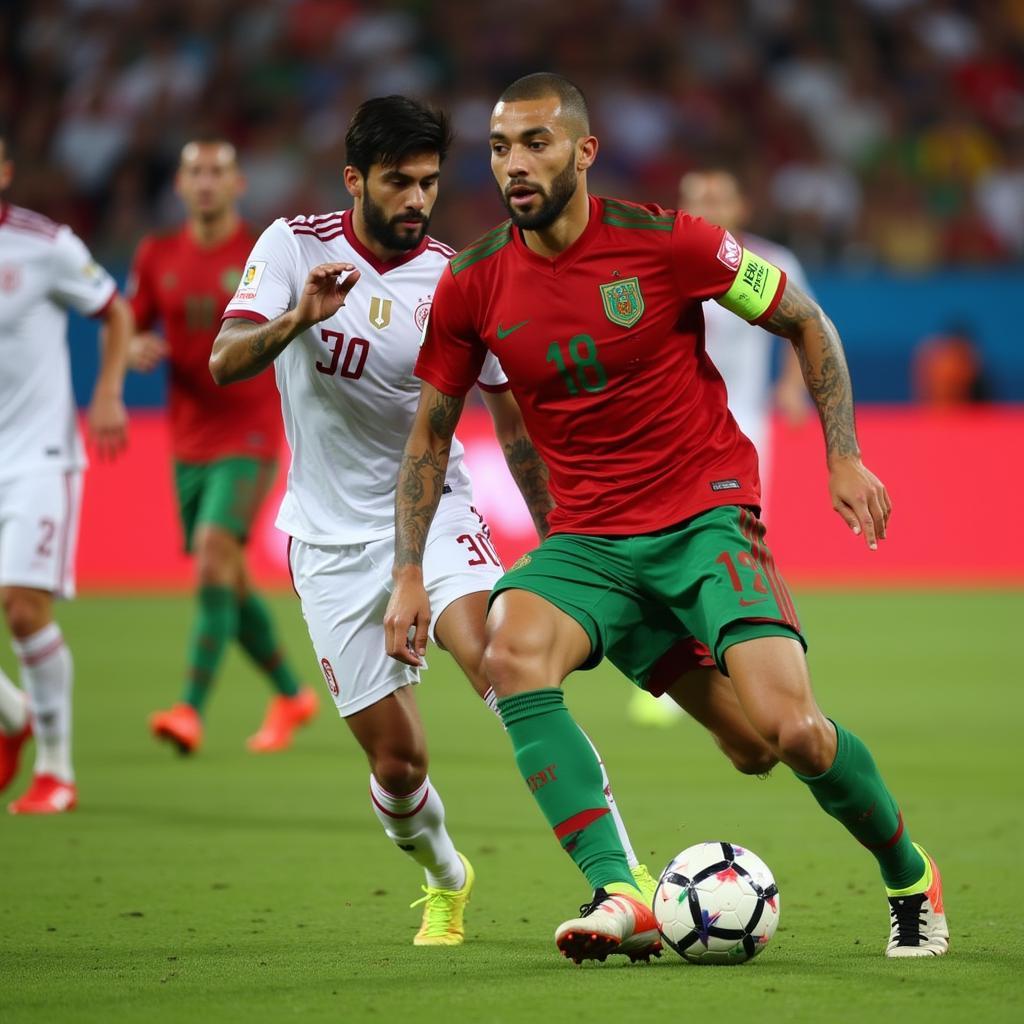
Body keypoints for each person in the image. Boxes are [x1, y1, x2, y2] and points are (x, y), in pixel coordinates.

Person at [385, 73, 948, 963]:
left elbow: (807, 321)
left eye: (536, 143)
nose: (515, 165)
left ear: (583, 151)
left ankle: (908, 873)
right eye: (499, 148)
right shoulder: (472, 283)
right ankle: (619, 887)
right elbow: (430, 434)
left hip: (704, 521)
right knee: (509, 649)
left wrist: (840, 452)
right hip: (593, 544)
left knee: (779, 740)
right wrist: (409, 572)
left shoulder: (669, 242)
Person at [209, 96, 653, 947]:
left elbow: (512, 421)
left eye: (428, 183)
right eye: (398, 183)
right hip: (333, 541)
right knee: (398, 762)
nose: (417, 200)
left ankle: (618, 883)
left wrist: (562, 533)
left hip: (436, 511)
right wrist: (299, 318)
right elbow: (224, 361)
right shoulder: (292, 247)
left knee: (503, 664)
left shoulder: (457, 276)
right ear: (355, 181)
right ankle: (446, 874)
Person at [126, 139, 315, 756]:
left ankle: (189, 709)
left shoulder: (260, 254)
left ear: (239, 186)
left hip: (252, 431)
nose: (206, 183)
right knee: (226, 576)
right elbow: (131, 322)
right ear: (179, 187)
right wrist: (133, 349)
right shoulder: (157, 255)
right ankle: (291, 693)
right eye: (195, 173)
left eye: (218, 173)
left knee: (213, 554)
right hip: (187, 439)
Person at [629, 168, 810, 727]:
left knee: (741, 549)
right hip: (673, 429)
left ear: (742, 206)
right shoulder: (665, 259)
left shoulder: (767, 263)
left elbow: (806, 326)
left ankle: (752, 667)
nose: (707, 205)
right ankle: (685, 669)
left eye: (718, 196)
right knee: (669, 544)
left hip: (745, 426)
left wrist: (792, 387)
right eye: (696, 197)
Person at [0, 132, 131, 813]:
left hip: (36, 457)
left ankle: (56, 769)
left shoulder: (44, 245)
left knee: (23, 608)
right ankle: (14, 715)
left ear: (5, 168)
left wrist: (107, 391)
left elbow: (116, 312)